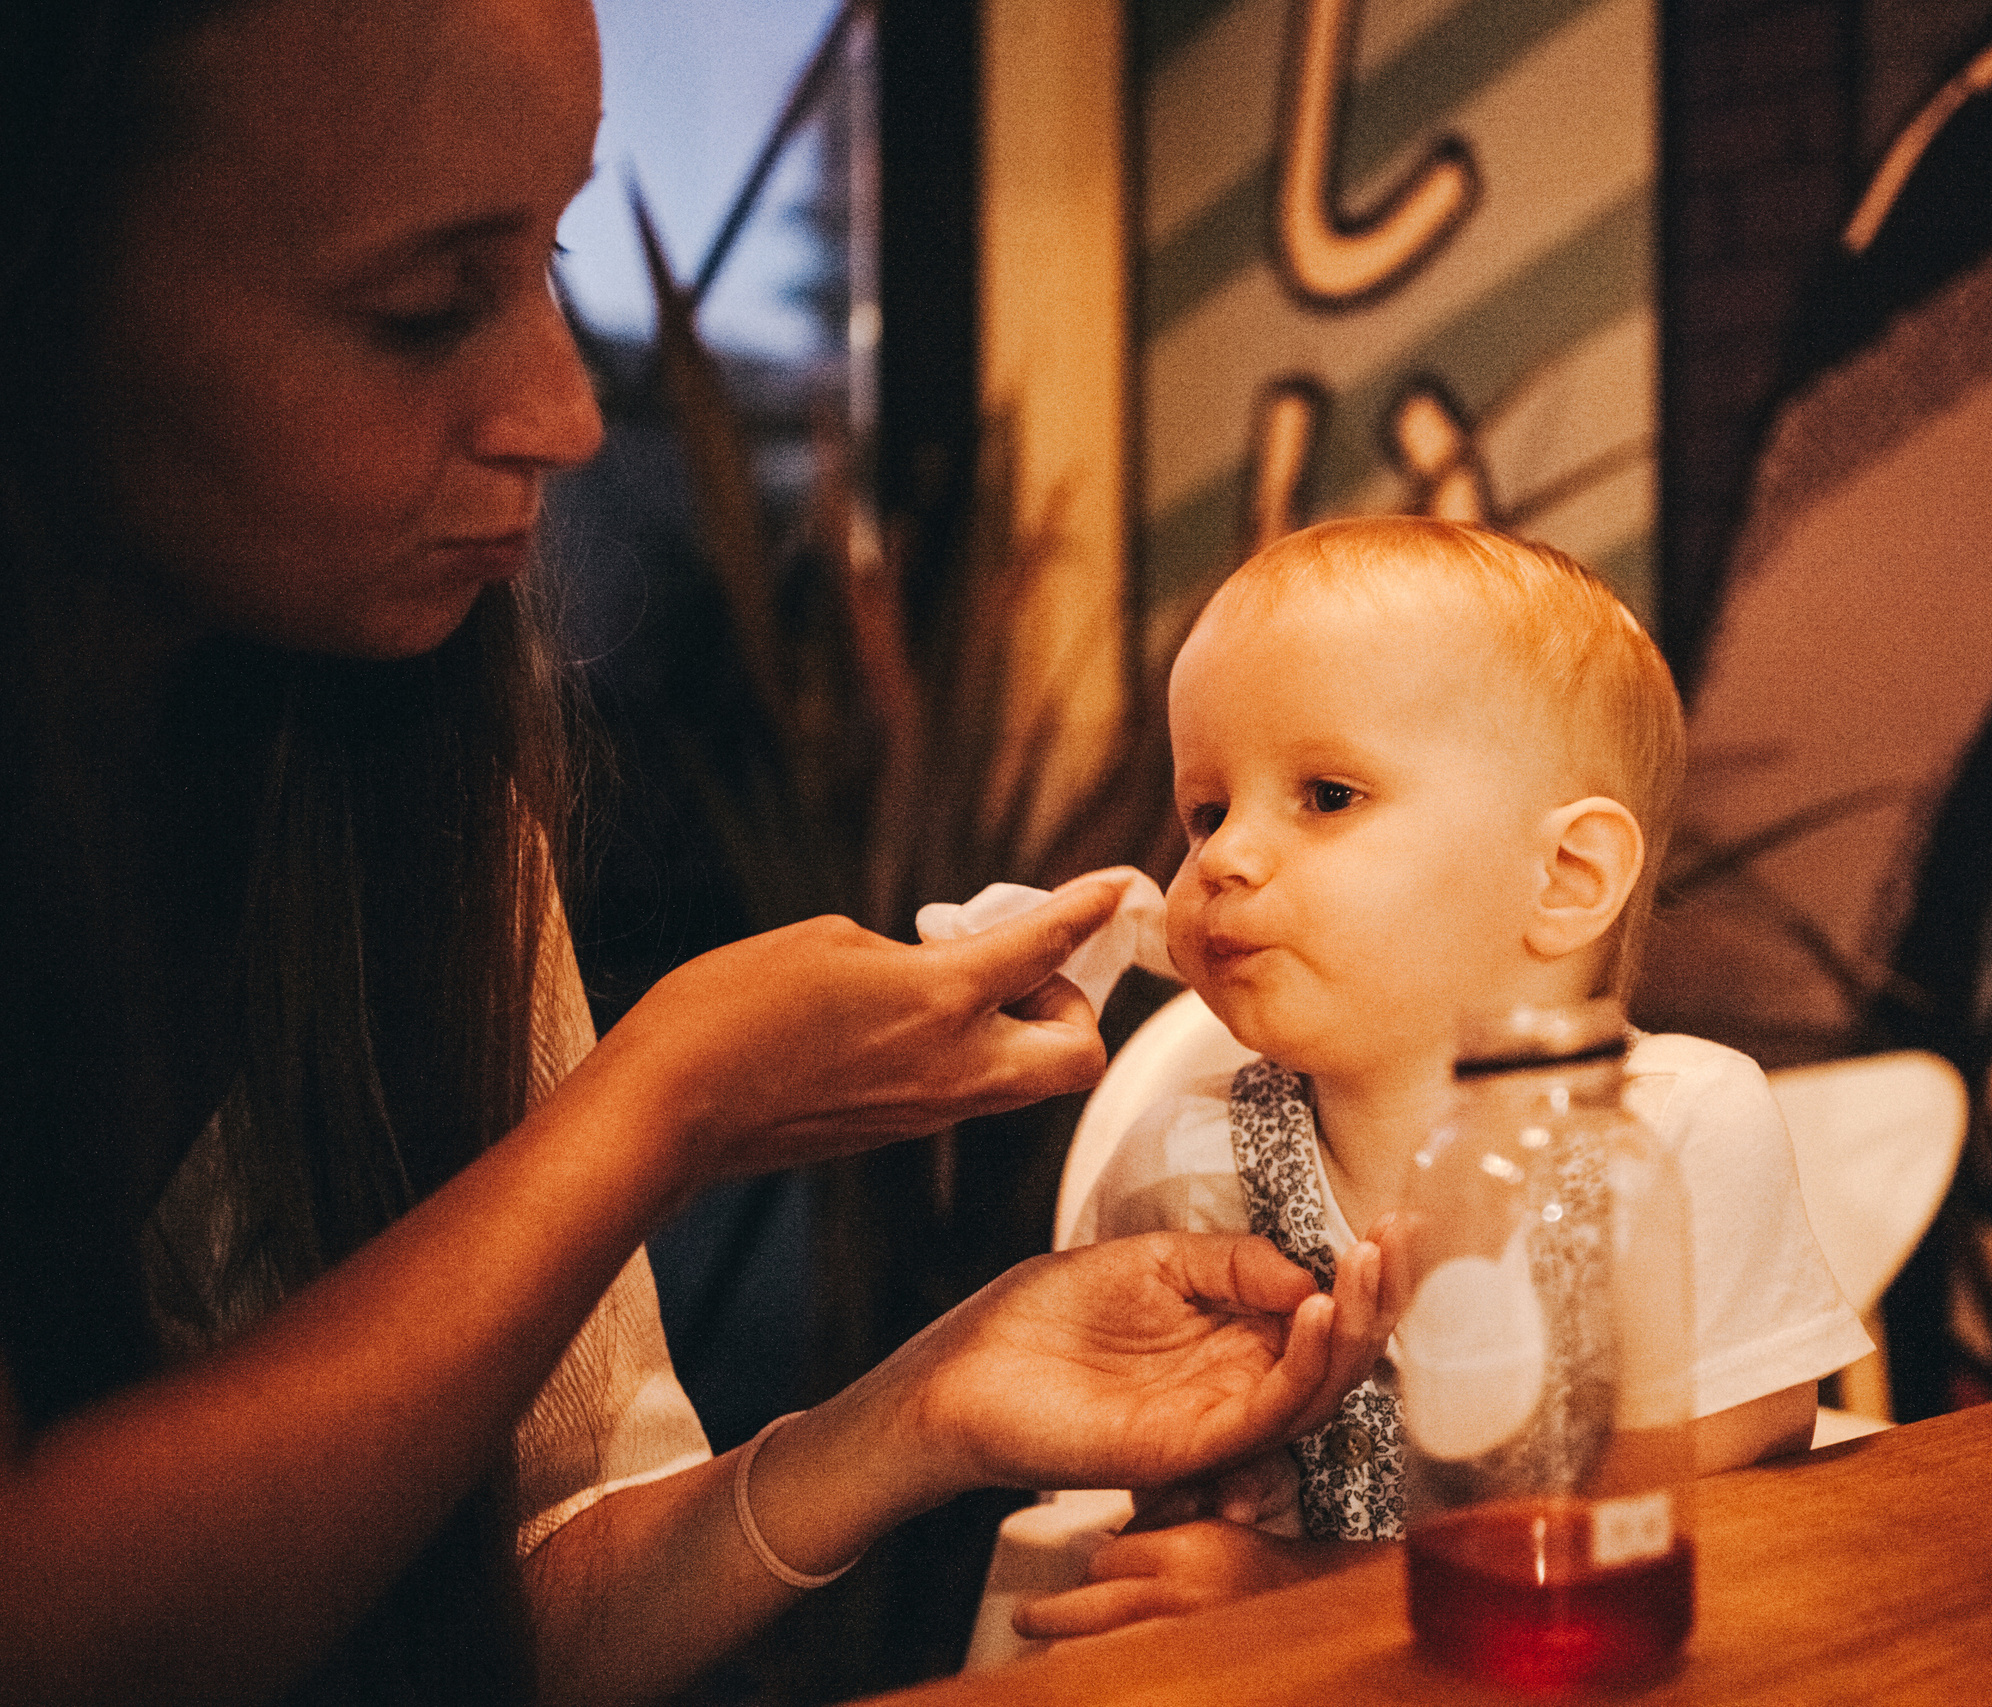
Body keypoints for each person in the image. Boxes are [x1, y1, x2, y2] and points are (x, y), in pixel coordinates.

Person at [0, 3, 1387, 1703]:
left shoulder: (405, 806)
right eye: (422, 307)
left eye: (551, 260)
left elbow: (536, 1595)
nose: (569, 413)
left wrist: (929, 1405)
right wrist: (659, 1106)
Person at [1018, 517, 1872, 1638]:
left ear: (1563, 877)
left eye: (1326, 795)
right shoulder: (1182, 1174)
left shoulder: (1668, 1127)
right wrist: (1201, 1502)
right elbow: (1144, 1470)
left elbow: (1747, 1455)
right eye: (1206, 810)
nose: (1220, 857)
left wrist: (1316, 1588)